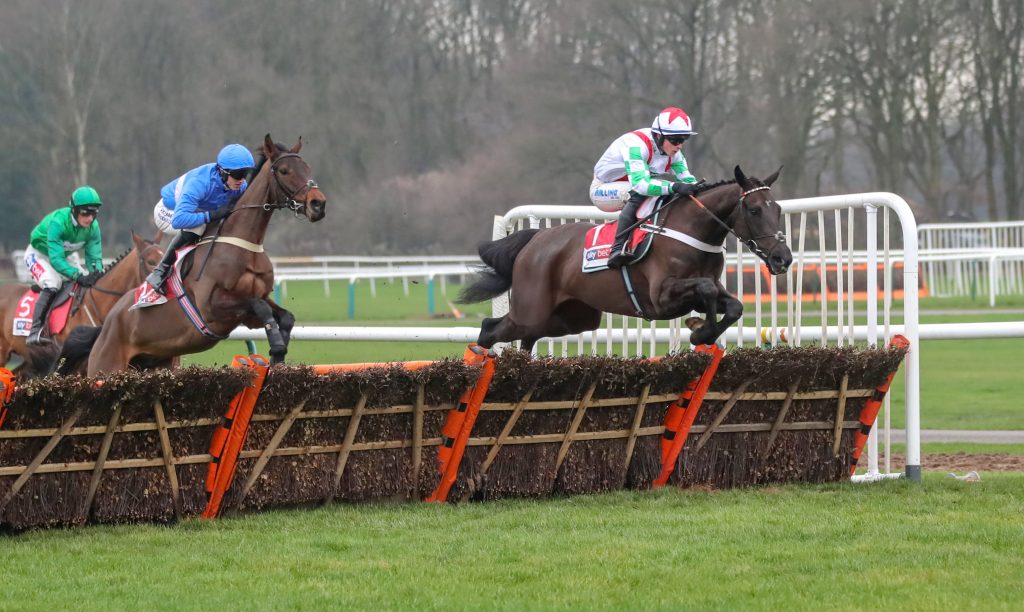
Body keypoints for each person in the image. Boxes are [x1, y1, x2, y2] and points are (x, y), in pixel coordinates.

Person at [136, 143, 255, 308]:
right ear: (222, 172)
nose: (241, 180)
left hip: (193, 211)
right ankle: (160, 272)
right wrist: (211, 215)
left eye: (245, 174)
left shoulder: (239, 185)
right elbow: (179, 220)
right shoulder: (200, 183)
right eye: (238, 174)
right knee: (199, 226)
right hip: (168, 212)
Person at [590, 107, 702, 268]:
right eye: (676, 139)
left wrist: (699, 189)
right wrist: (675, 187)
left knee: (668, 194)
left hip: (631, 184)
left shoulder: (675, 154)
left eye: (683, 139)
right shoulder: (636, 145)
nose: (679, 145)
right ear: (658, 135)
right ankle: (617, 248)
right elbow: (641, 185)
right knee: (643, 193)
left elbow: (689, 181)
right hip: (603, 189)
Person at [24, 186, 105, 345]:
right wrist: (78, 276)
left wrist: (96, 273)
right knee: (53, 282)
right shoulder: (58, 222)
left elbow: (94, 258)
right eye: (85, 213)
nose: (89, 218)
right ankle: (35, 330)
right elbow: (55, 260)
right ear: (74, 210)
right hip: (39, 255)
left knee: (87, 283)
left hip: (64, 256)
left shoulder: (93, 227)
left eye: (94, 213)